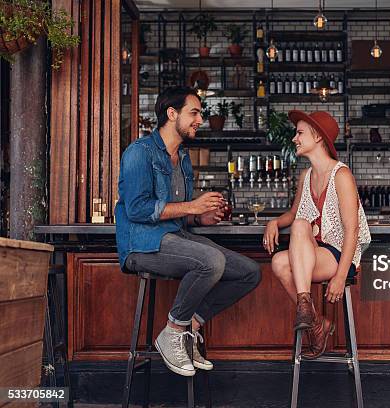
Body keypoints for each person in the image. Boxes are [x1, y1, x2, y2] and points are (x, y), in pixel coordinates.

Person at [115, 86, 261, 377]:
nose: (200, 120)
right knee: (211, 261)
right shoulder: (139, 153)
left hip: (175, 238)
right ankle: (171, 332)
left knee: (249, 271)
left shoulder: (182, 158)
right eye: (194, 113)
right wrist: (192, 207)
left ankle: (189, 327)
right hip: (141, 244)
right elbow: (137, 210)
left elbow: (180, 213)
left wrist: (201, 218)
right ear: (172, 114)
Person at [263, 110, 371, 359]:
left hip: (339, 254)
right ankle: (314, 319)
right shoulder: (306, 176)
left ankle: (309, 317)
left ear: (319, 138)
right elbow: (293, 214)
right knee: (280, 259)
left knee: (299, 229)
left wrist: (341, 276)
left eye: (300, 133)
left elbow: (352, 230)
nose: (294, 139)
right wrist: (274, 222)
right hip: (316, 251)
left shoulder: (342, 175)